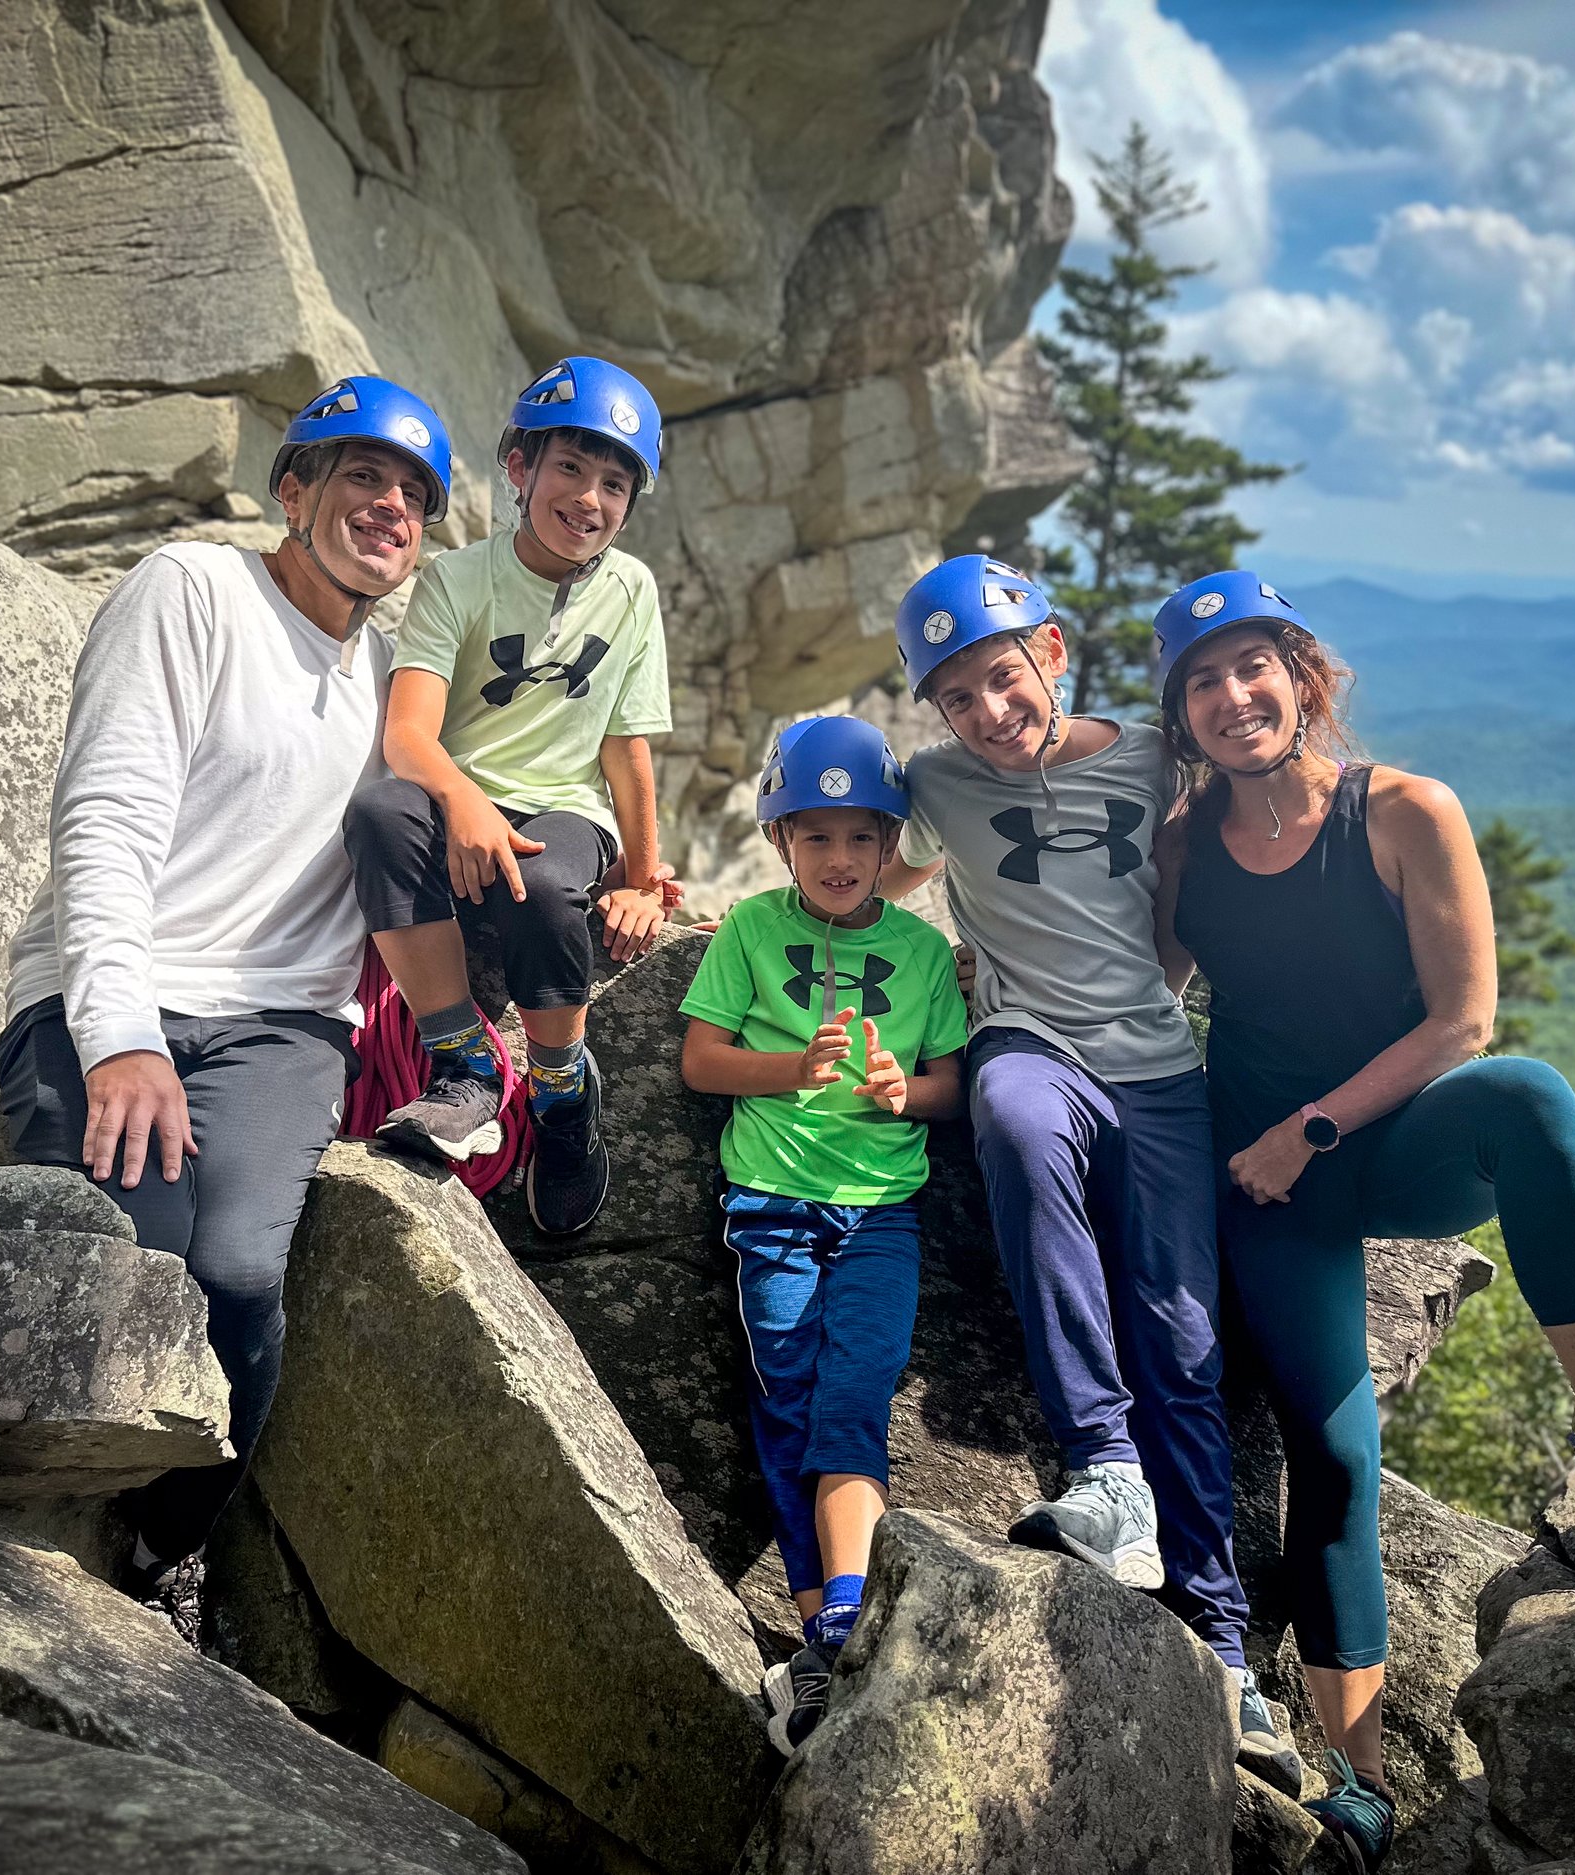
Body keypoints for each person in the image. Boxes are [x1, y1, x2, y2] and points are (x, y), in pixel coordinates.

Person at [1153, 570, 1575, 1869]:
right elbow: (1144, 995)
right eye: (1201, 682)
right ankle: (1359, 1777)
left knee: (1531, 1098)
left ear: (1303, 673)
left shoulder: (1402, 812)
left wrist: (1311, 1127)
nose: (1233, 698)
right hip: (1267, 1189)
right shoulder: (1181, 844)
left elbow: (1463, 1022)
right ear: (1181, 715)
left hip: (1379, 1144)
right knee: (1332, 1461)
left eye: (1252, 666)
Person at [0, 376, 454, 1578]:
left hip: (279, 1026)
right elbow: (103, 817)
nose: (391, 506)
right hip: (108, 994)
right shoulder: (190, 590)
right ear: (292, 489)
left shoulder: (394, 683)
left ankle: (165, 1549)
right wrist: (120, 1038)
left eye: (415, 494)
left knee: (238, 1271)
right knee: (128, 1257)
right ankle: (26, 1529)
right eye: (362, 475)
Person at [873, 554, 1305, 1798]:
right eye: (956, 699)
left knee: (1182, 1333)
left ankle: (1224, 1653)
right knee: (1011, 1118)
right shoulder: (939, 787)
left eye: (1003, 680)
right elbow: (870, 867)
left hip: (1161, 1074)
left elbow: (1213, 866)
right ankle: (1104, 1470)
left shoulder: (1154, 762)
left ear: (1051, 656)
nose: (988, 714)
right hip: (1031, 1051)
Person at [677, 716, 969, 1754]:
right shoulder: (753, 931)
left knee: (852, 1393)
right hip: (771, 1206)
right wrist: (793, 1069)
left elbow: (949, 1086)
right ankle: (823, 1631)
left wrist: (904, 1091)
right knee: (788, 1393)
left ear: (890, 846)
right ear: (780, 842)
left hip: (881, 1211)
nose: (840, 860)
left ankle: (839, 1616)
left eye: (861, 839)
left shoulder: (921, 949)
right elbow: (703, 1062)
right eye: (816, 838)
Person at [344, 356, 674, 1236]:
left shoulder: (632, 591)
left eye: (614, 483)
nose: (590, 499)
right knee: (377, 815)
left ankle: (564, 1092)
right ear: (521, 468)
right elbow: (409, 736)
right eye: (569, 467)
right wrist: (464, 803)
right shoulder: (457, 580)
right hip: (459, 796)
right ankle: (466, 1066)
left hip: (567, 806)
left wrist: (641, 879)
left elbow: (624, 744)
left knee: (552, 890)